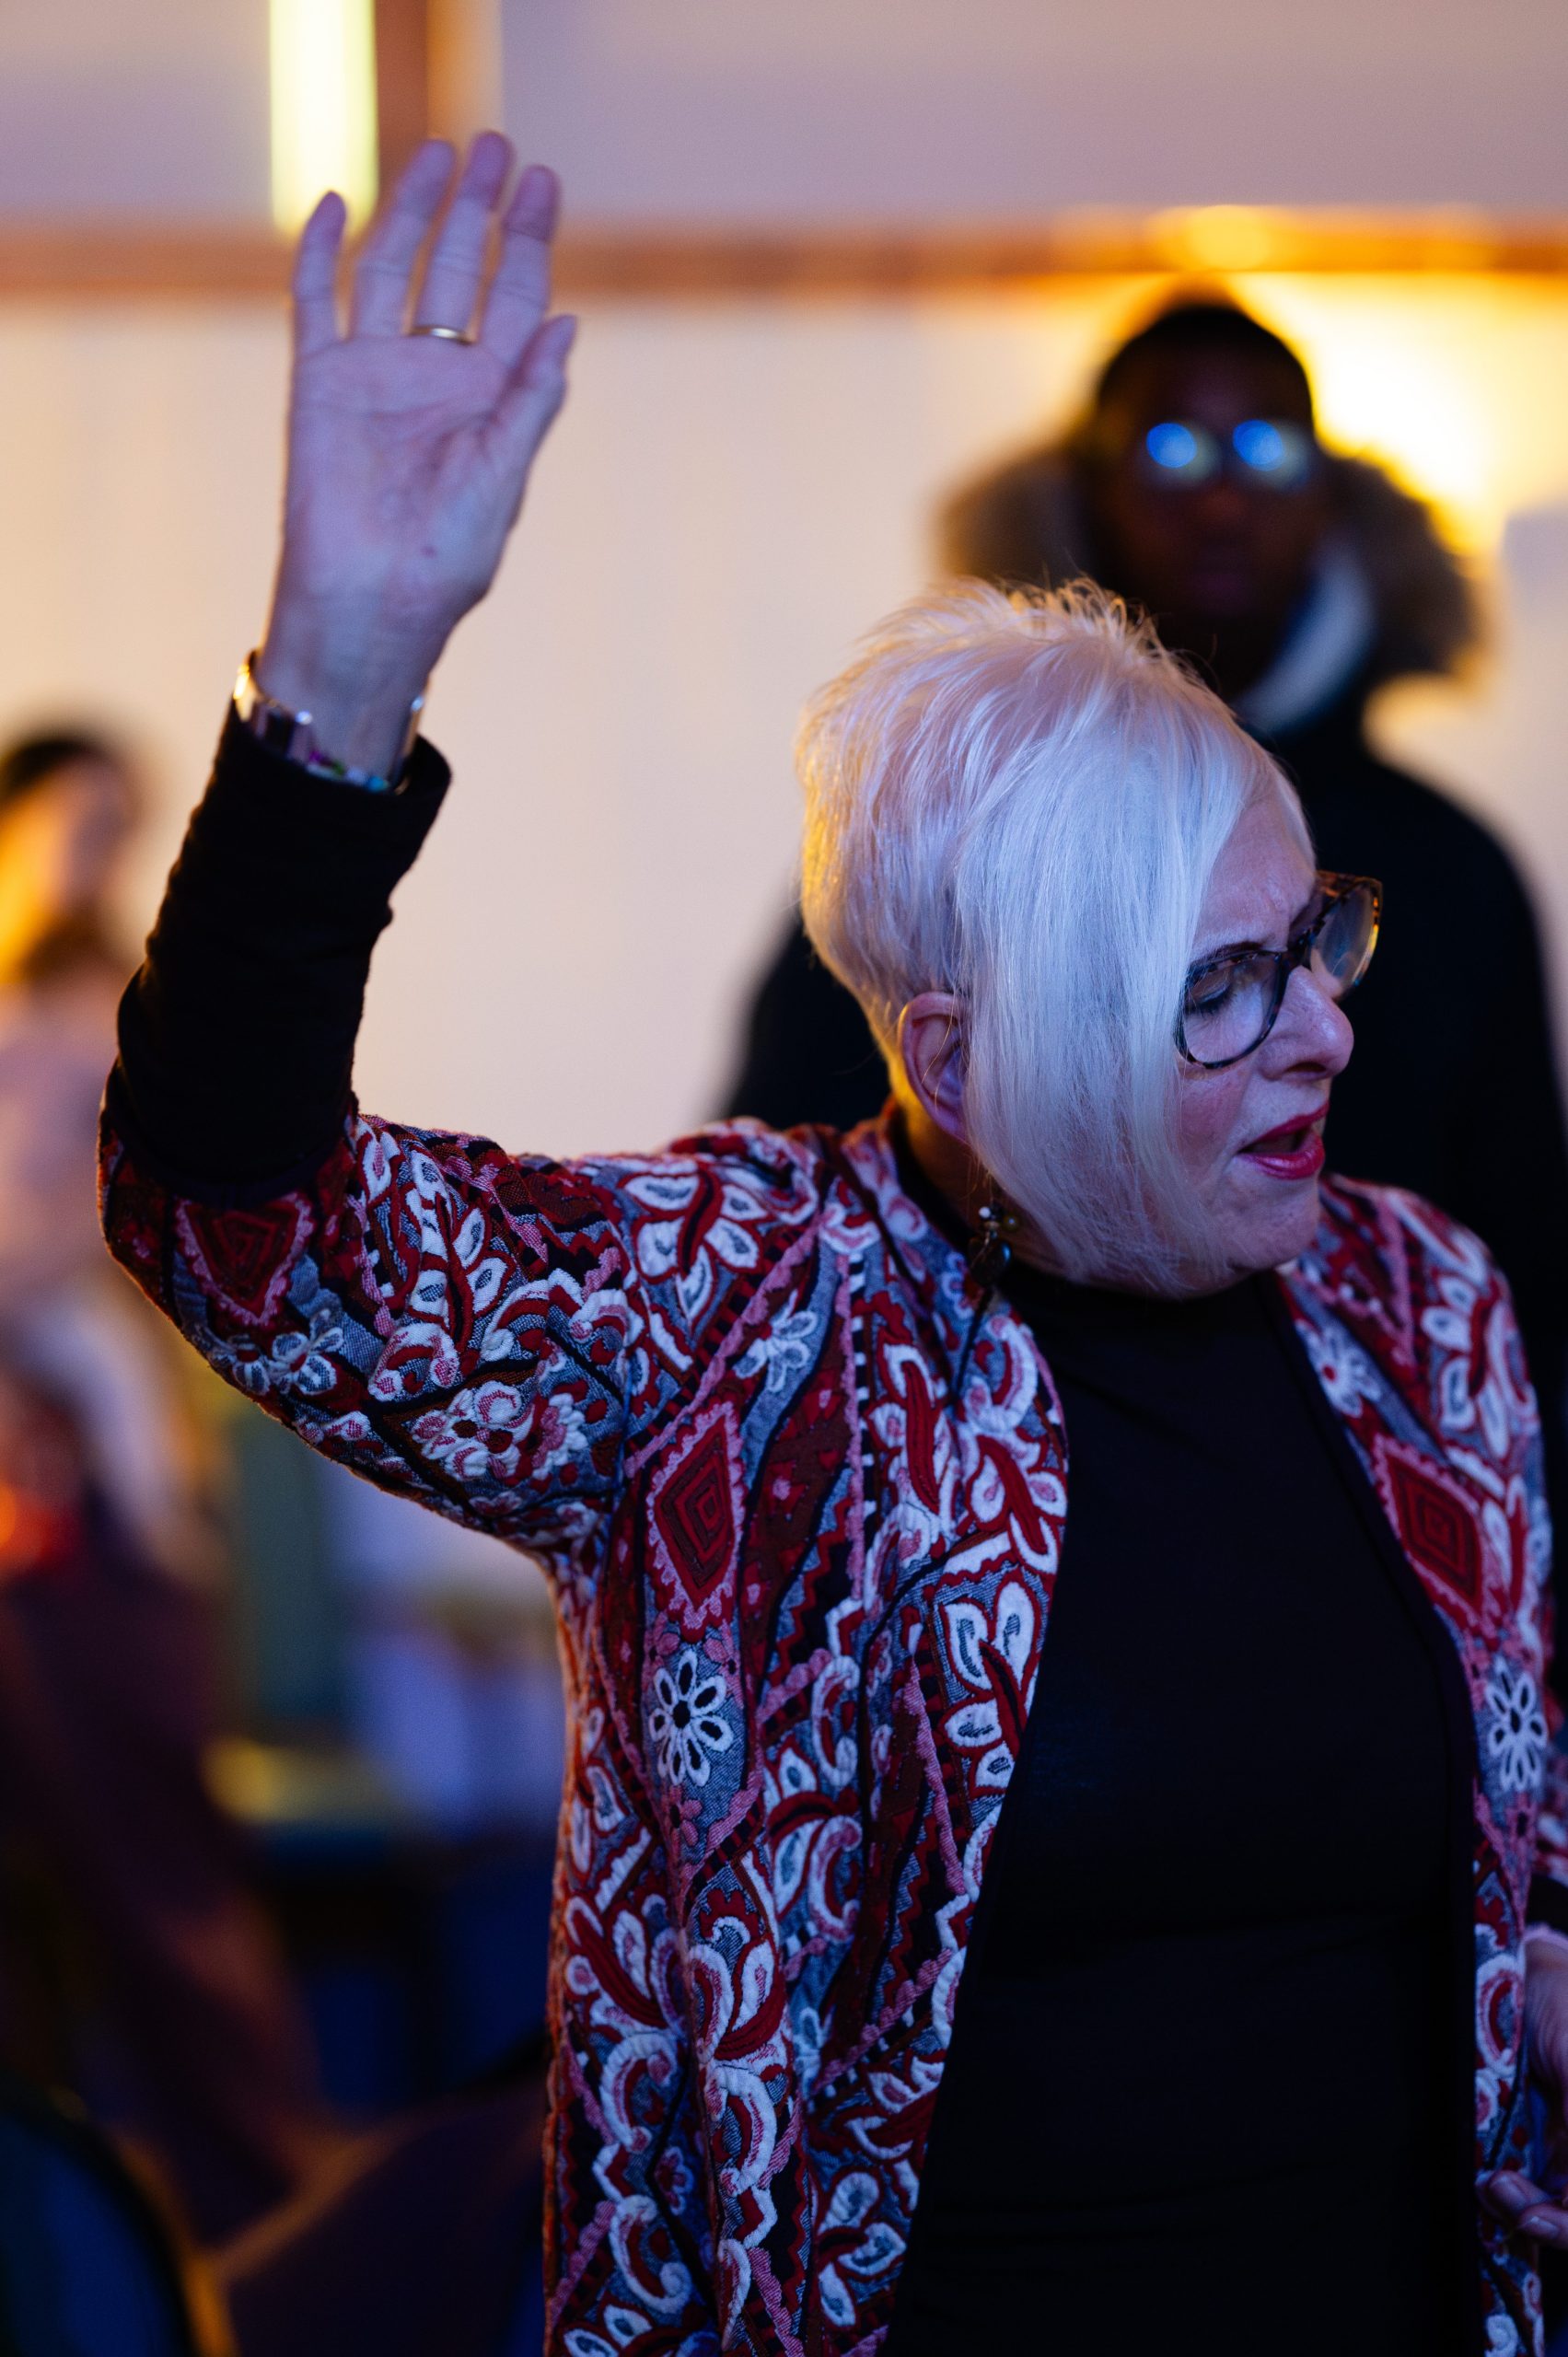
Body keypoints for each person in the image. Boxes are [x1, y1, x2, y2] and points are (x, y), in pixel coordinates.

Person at [98, 136, 1568, 2353]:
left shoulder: (1421, 1310)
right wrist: (341, 671)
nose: (1334, 1026)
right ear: (966, 1055)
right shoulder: (742, 1317)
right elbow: (240, 1221)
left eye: (1320, 941)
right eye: (1227, 984)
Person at [725, 302, 1568, 1562]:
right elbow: (807, 1157)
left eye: (1268, 454)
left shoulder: (1447, 865)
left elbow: (1526, 1239)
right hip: (1005, 1496)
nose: (1223, 499)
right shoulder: (960, 856)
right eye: (1171, 452)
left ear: (1331, 500)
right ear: (1091, 493)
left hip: (1360, 1493)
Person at [0, 728, 325, 2240]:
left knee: (165, 1906)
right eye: (70, 825)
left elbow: (66, 1239)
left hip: (98, 1524)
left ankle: (268, 2242)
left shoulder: (99, 1012)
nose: (92, 858)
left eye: (118, 830)